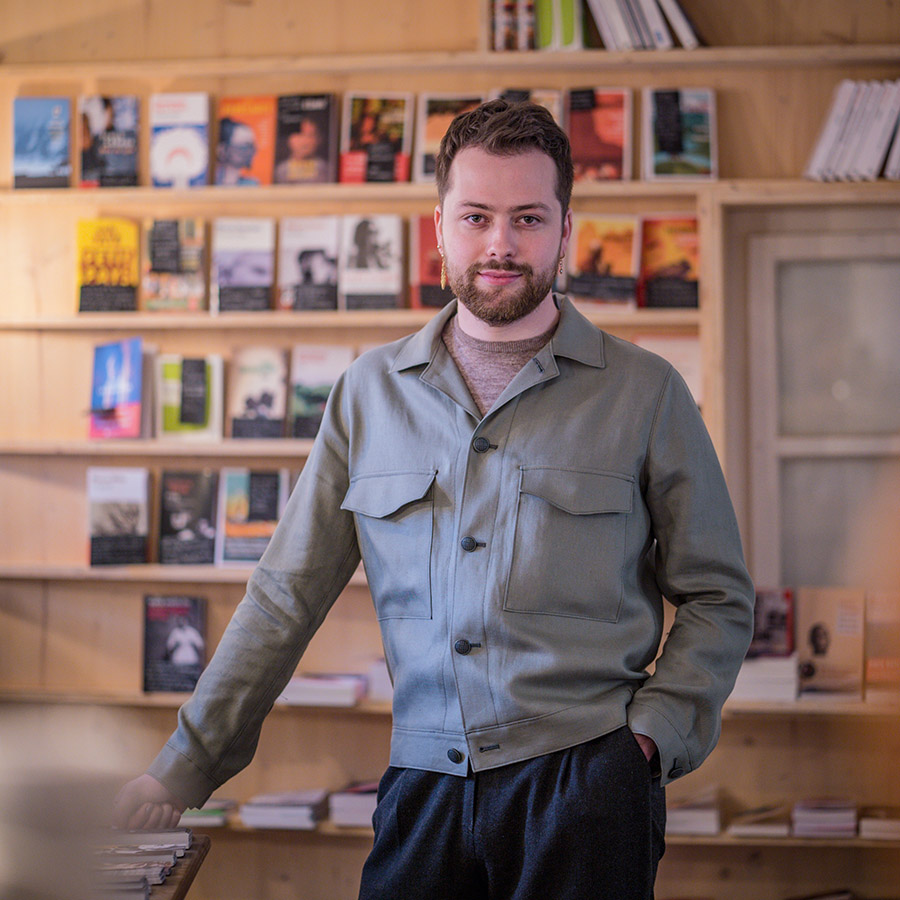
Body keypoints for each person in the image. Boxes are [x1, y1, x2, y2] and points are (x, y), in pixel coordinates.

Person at [114, 99, 754, 899]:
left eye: (528, 218)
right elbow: (283, 599)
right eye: (477, 216)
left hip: (588, 791)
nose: (500, 244)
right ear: (439, 225)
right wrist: (181, 769)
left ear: (565, 228)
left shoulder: (647, 393)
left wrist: (652, 740)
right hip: (422, 788)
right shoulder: (367, 394)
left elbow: (718, 596)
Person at [214, 117, 260, 186]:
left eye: (252, 146)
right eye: (245, 146)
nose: (251, 151)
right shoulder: (207, 185)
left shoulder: (251, 185)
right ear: (222, 150)